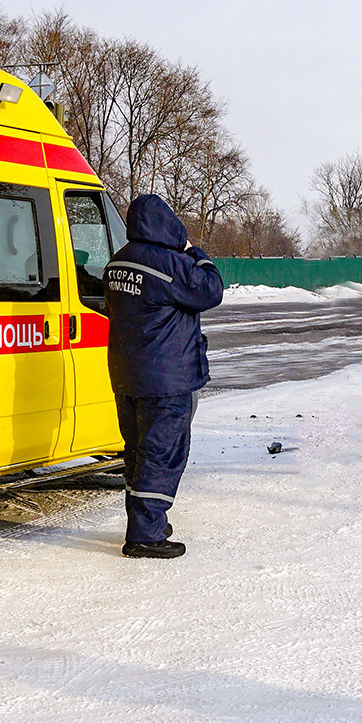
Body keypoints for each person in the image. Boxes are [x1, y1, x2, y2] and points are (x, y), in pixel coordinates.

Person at [104, 194, 225, 559]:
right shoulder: (170, 264)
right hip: (167, 379)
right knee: (162, 455)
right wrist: (195, 250)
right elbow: (211, 290)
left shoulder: (117, 263)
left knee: (138, 452)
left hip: (127, 376)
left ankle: (148, 520)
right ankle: (144, 535)